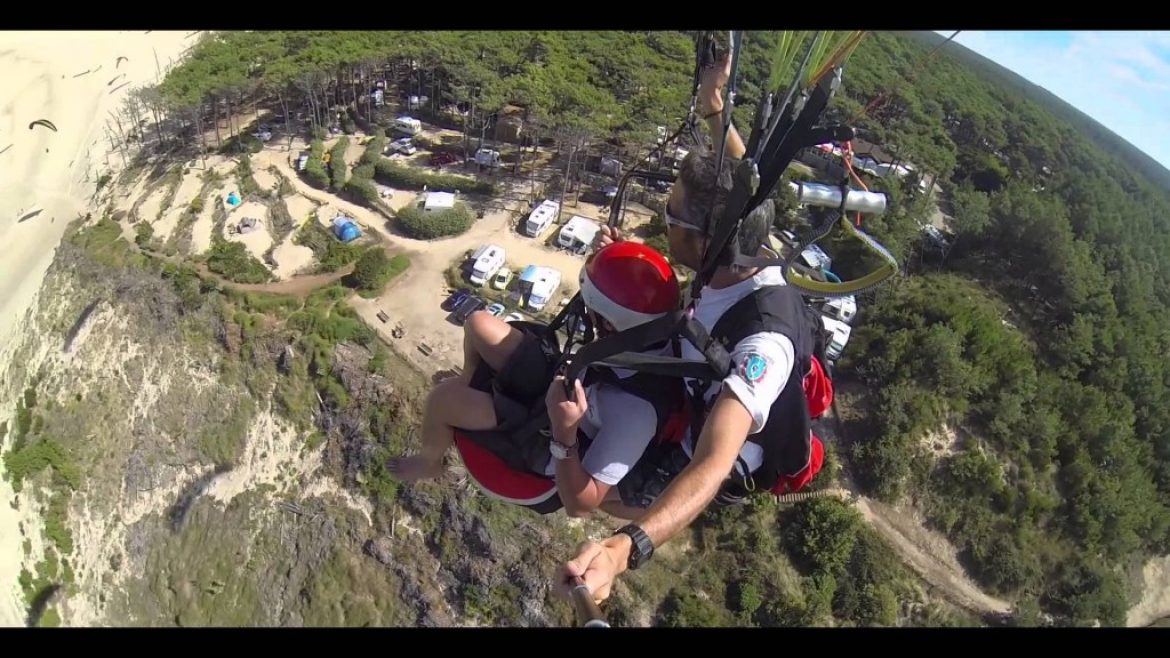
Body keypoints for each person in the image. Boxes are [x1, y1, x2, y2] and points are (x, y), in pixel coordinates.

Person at [559, 48, 831, 603]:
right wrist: (714, 110)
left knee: (580, 488)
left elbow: (712, 461)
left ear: (708, 242)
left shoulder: (764, 344)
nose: (664, 224)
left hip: (709, 446)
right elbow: (747, 185)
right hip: (695, 373)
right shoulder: (747, 242)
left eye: (671, 219)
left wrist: (621, 548)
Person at [389, 241, 688, 519]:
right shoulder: (647, 334)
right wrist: (612, 262)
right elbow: (637, 292)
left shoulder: (635, 414)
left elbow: (580, 505)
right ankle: (470, 381)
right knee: (479, 324)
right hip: (565, 385)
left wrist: (564, 431)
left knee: (443, 401)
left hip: (550, 439)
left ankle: (429, 462)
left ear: (610, 324)